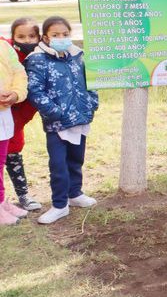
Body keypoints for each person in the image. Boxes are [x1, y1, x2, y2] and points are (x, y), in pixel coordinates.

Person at [26, 16, 99, 224]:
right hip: (57, 123)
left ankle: (74, 194)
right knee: (58, 164)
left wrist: (92, 103)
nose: (61, 38)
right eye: (55, 35)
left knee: (76, 159)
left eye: (65, 34)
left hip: (81, 118)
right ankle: (59, 205)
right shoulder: (37, 60)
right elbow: (35, 91)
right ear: (45, 38)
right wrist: (55, 112)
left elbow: (90, 82)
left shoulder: (77, 56)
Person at [4, 18, 42, 211]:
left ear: (39, 37)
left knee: (14, 150)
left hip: (21, 112)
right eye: (20, 36)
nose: (26, 40)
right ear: (13, 37)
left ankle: (23, 195)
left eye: (31, 36)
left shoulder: (42, 55)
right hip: (4, 109)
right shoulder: (6, 51)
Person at [0, 32, 28, 226]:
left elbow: (19, 72)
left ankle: (1, 201)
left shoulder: (4, 46)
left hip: (4, 113)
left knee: (0, 161)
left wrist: (16, 93)